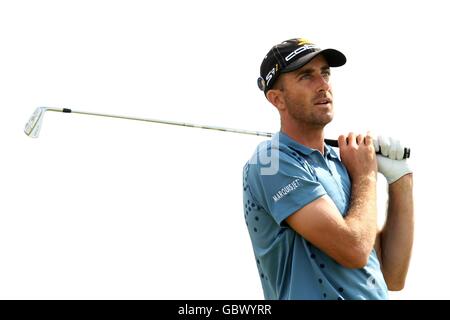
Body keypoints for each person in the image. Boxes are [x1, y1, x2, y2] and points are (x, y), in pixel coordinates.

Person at [243, 38, 414, 300]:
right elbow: (353, 249)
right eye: (306, 76)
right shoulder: (270, 162)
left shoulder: (343, 161)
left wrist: (400, 178)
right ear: (277, 99)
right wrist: (366, 175)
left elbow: (392, 275)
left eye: (325, 73)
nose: (323, 85)